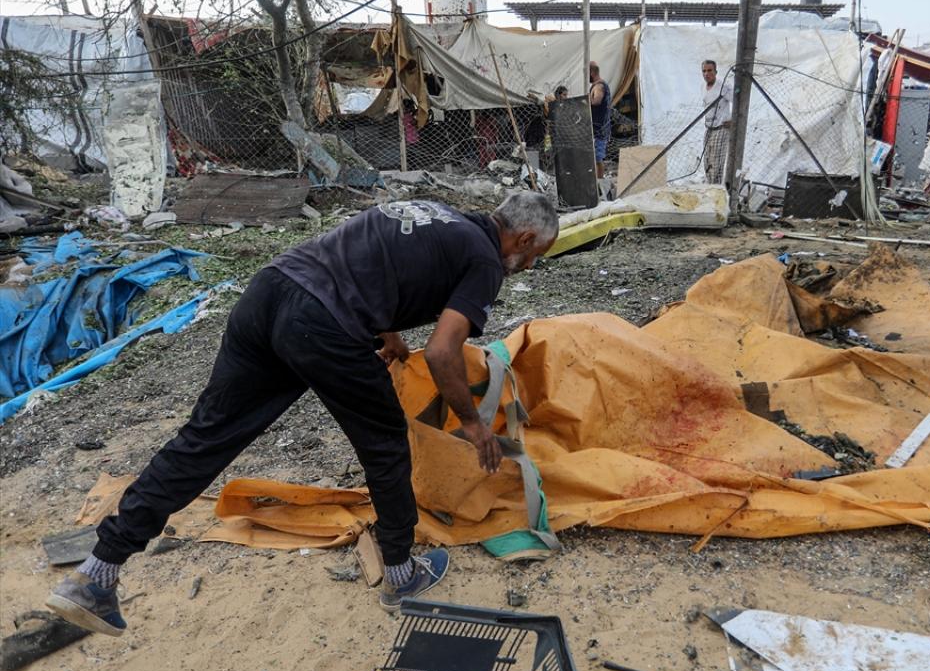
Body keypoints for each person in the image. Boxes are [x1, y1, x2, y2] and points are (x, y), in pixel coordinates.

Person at [45, 192, 560, 636]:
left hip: (270, 291)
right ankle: (401, 575)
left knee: (205, 437)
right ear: (523, 238)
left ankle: (96, 573)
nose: (530, 266)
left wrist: (389, 334)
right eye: (535, 254)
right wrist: (472, 423)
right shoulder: (485, 261)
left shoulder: (434, 213)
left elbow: (372, 261)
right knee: (386, 446)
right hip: (321, 324)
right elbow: (446, 352)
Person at [700, 60, 733, 185]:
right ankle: (710, 187)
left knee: (716, 164)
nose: (706, 74)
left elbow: (738, 100)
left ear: (716, 72)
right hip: (709, 128)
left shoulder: (723, 86)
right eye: (704, 71)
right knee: (707, 162)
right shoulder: (703, 87)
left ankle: (716, 189)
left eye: (709, 70)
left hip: (721, 128)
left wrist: (733, 119)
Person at [588, 61, 611, 179]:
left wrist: (586, 101)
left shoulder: (599, 86)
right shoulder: (600, 85)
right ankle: (597, 180)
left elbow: (597, 100)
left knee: (598, 158)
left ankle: (600, 181)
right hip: (599, 127)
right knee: (596, 157)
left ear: (592, 72)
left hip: (599, 128)